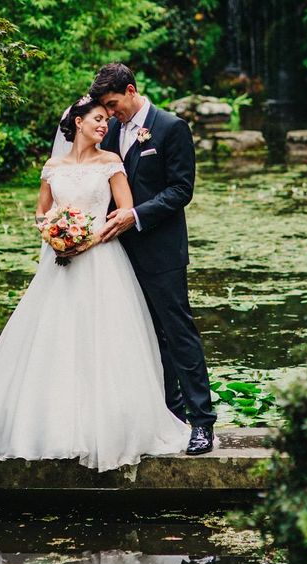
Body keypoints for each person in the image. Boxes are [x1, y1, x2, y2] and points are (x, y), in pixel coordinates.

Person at [0, 96, 190, 471]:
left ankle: (111, 427)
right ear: (77, 123)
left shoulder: (111, 163)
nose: (104, 125)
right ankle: (50, 425)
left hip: (101, 261)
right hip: (59, 264)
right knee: (54, 339)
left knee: (103, 341)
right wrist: (52, 232)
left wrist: (85, 240)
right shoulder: (52, 167)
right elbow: (40, 211)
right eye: (97, 119)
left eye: (106, 119)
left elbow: (122, 214)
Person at [89, 63, 216, 455]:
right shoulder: (109, 131)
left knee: (178, 335)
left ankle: (202, 423)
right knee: (144, 337)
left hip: (161, 251)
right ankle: (168, 416)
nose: (110, 114)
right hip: (119, 256)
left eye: (113, 104)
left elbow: (181, 189)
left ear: (130, 90)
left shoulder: (171, 127)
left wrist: (136, 214)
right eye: (105, 108)